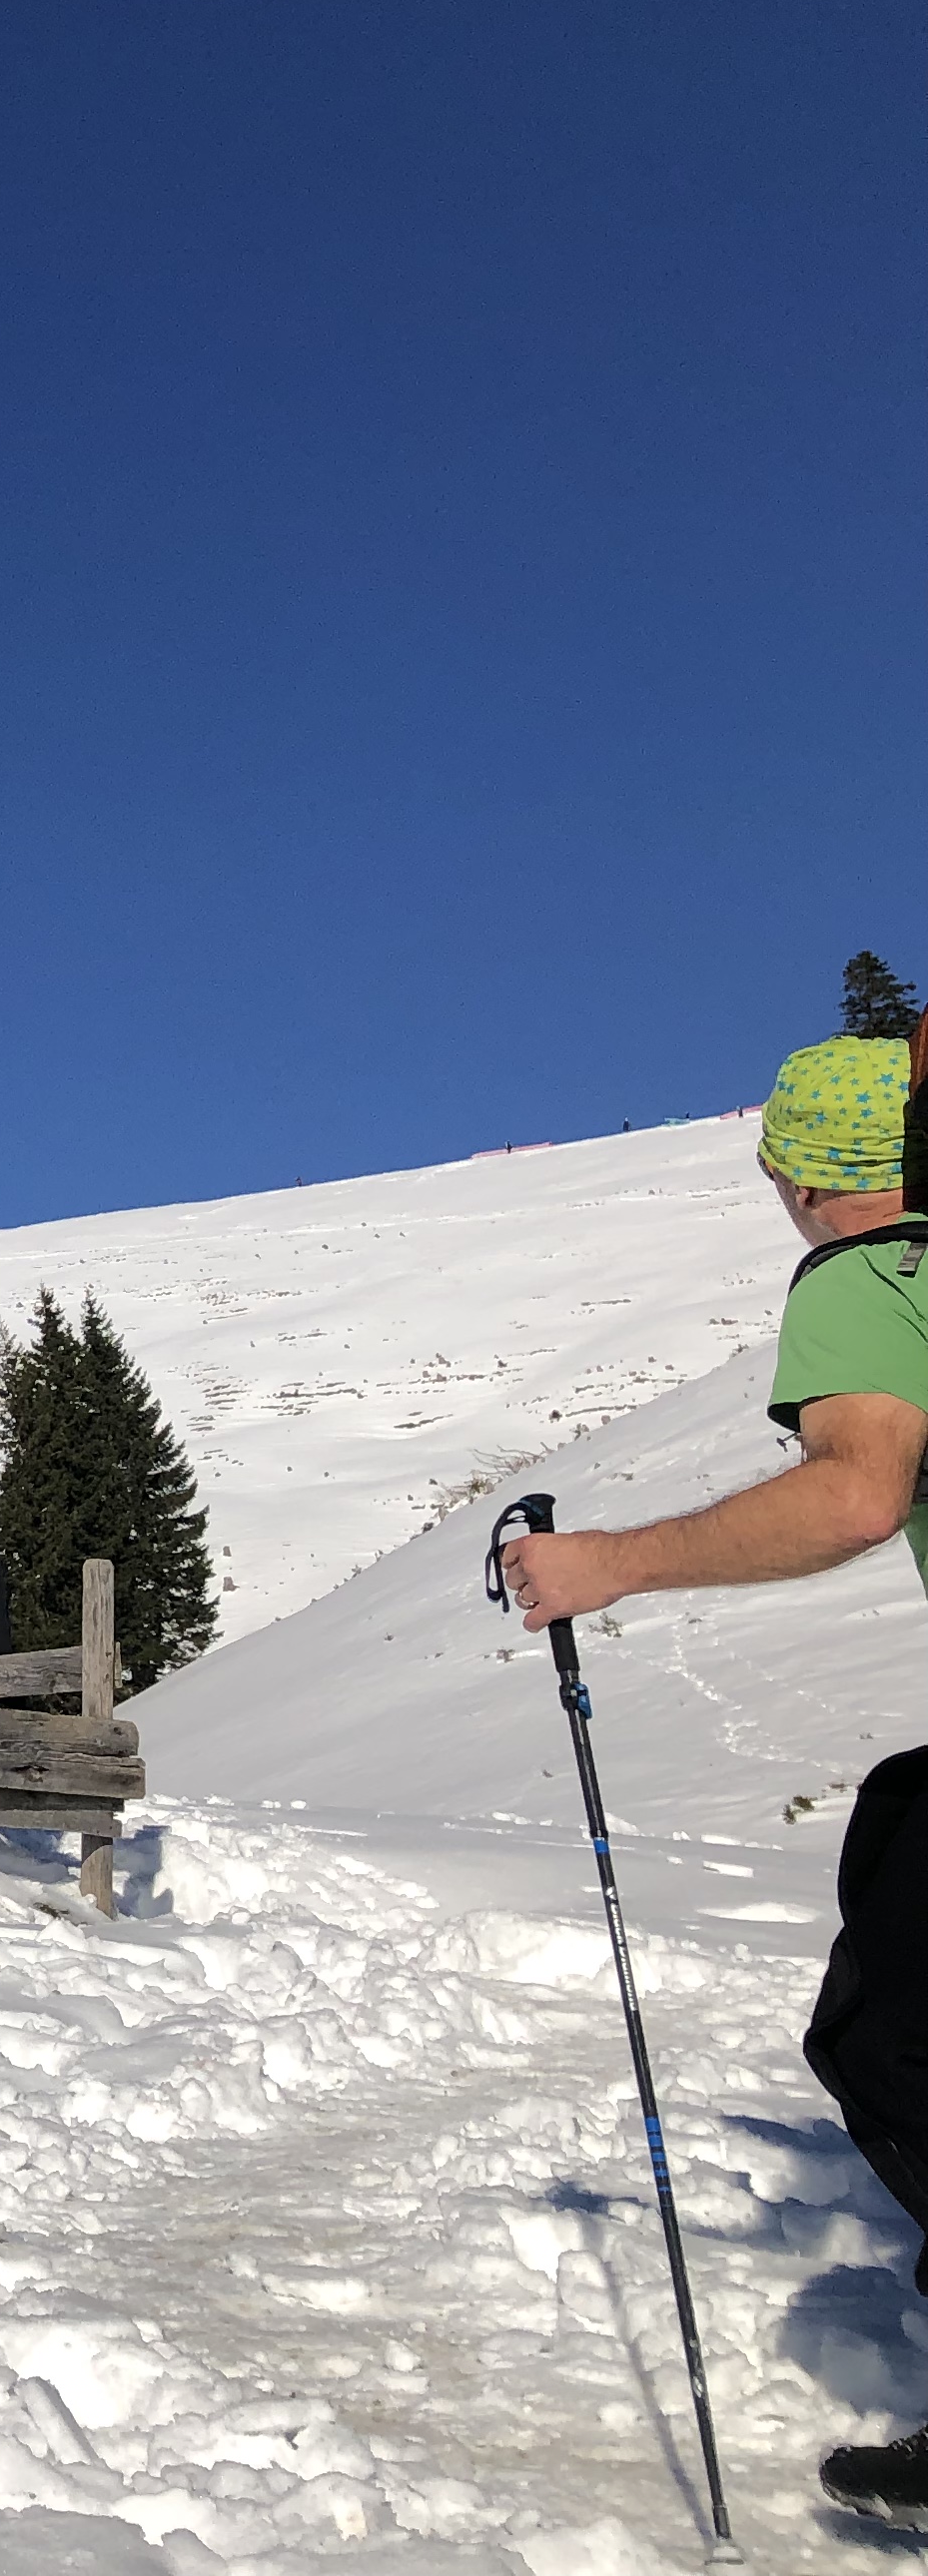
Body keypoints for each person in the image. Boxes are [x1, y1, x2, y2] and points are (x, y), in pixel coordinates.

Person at [501, 1025, 928, 2530]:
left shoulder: (873, 1274)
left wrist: (606, 1563)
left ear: (811, 1179)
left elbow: (860, 1484)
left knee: (891, 2030)